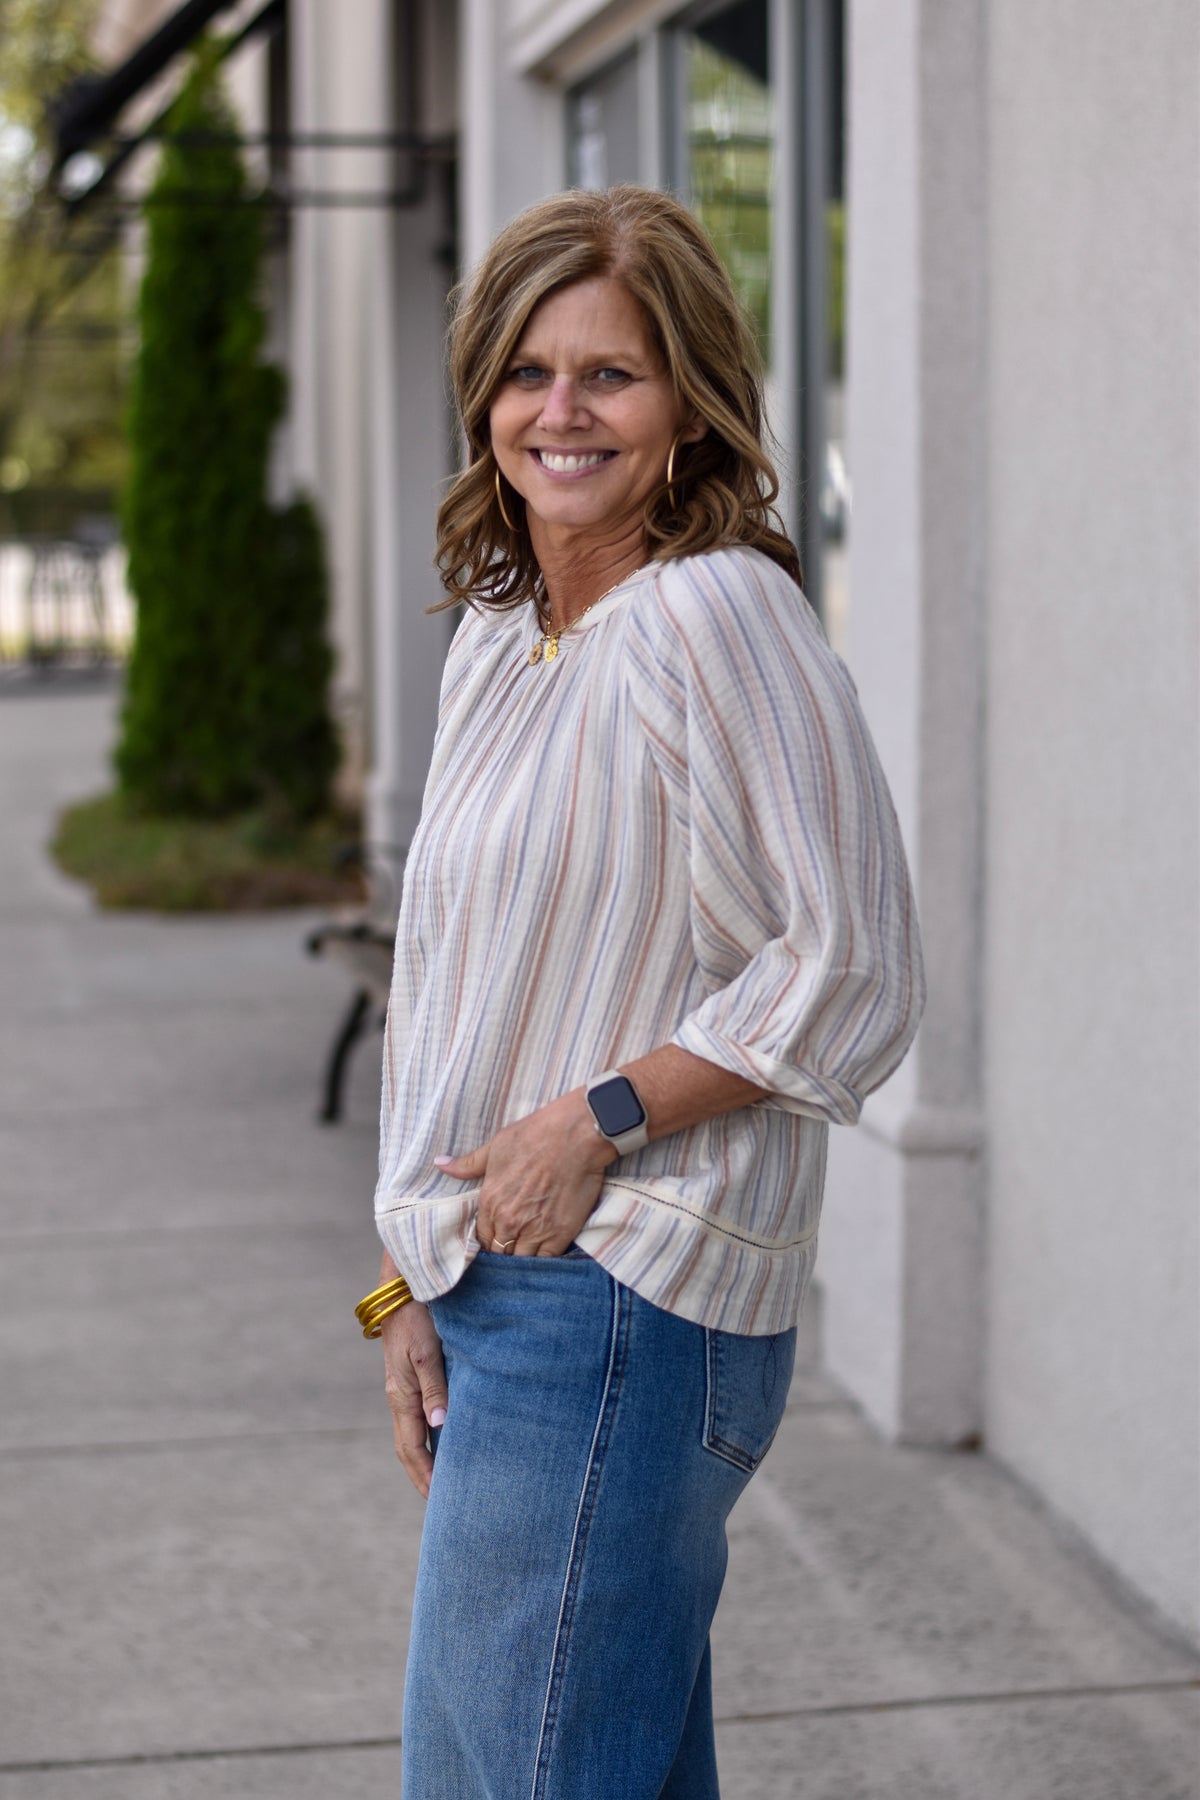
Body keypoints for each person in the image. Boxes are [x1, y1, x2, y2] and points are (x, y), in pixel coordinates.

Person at [357, 184, 925, 1800]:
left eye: (611, 374)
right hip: (504, 1282)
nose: (563, 411)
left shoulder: (715, 613)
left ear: (690, 406)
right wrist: (405, 1280)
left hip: (622, 1294)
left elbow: (852, 958)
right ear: (484, 396)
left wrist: (595, 1119)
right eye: (529, 372)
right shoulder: (504, 631)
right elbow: (454, 994)